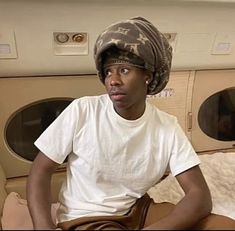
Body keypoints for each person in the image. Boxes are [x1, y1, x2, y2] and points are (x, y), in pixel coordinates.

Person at [27, 17, 213, 230]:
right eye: (108, 72)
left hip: (136, 211)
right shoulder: (84, 110)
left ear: (147, 76)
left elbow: (200, 195)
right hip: (86, 216)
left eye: (124, 70)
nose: (113, 80)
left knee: (220, 225)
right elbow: (41, 170)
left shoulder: (167, 127)